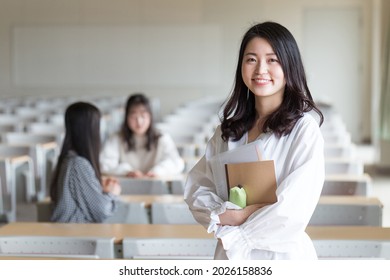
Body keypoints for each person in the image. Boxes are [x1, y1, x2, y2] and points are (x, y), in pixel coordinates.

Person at [184, 21, 325, 260]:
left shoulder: (304, 130)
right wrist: (229, 216)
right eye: (251, 59)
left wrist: (236, 231)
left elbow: (291, 211)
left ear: (289, 66)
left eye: (272, 60)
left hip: (281, 259)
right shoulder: (226, 132)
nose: (260, 70)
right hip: (230, 257)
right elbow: (198, 188)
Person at [50, 102, 121, 223]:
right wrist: (112, 193)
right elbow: (101, 212)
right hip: (74, 236)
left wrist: (98, 187)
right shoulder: (78, 164)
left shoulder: (69, 158)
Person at [100, 93, 185, 178]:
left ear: (150, 117)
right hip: (125, 187)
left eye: (143, 116)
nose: (139, 122)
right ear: (126, 118)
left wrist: (158, 171)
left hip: (155, 186)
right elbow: (105, 163)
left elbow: (176, 162)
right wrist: (127, 172)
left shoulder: (161, 137)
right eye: (134, 117)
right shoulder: (116, 138)